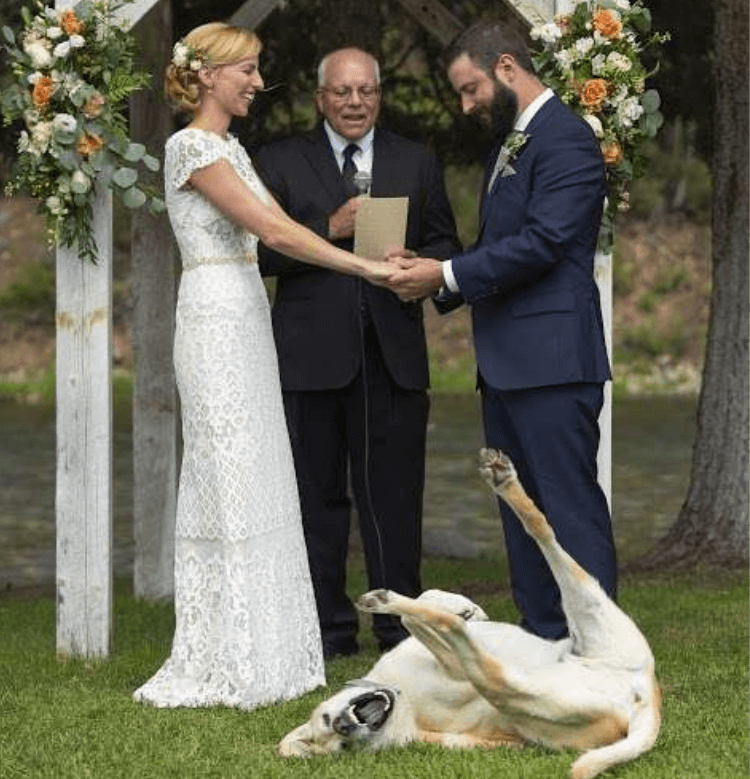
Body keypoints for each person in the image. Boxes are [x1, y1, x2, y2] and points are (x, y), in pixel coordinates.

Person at [133, 23, 394, 709]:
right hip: (215, 316)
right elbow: (276, 233)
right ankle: (228, 650)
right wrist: (366, 265)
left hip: (249, 313)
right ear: (209, 76)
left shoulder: (231, 147)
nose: (256, 82)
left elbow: (288, 224)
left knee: (262, 468)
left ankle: (271, 645)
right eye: (245, 70)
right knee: (228, 470)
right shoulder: (190, 145)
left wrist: (363, 244)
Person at [386, 21, 616, 641]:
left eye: (471, 88)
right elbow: (500, 248)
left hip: (554, 361)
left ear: (507, 66)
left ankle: (599, 650)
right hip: (509, 363)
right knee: (521, 511)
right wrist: (433, 274)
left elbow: (543, 244)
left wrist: (447, 272)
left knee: (567, 509)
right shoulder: (510, 144)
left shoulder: (565, 138)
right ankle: (545, 637)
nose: (466, 105)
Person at [253, 47, 460, 659]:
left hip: (392, 357)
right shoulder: (280, 161)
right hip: (309, 361)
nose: (354, 102)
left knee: (394, 501)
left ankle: (401, 633)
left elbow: (446, 242)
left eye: (366, 91)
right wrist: (328, 231)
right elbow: (258, 257)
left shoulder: (416, 160)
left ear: (379, 96)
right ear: (320, 98)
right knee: (316, 502)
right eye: (342, 92)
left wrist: (418, 263)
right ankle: (326, 632)